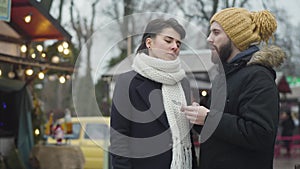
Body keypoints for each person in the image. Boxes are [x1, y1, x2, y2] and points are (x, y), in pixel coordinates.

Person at [181, 7, 286, 169]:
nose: (209, 39)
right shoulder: (221, 78)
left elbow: (260, 134)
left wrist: (208, 117)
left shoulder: (258, 76)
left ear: (236, 39)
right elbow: (219, 131)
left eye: (216, 32)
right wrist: (197, 117)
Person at [110, 18, 197, 169]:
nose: (174, 47)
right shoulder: (127, 81)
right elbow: (119, 138)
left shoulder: (183, 82)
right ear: (149, 43)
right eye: (168, 40)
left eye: (178, 43)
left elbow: (188, 134)